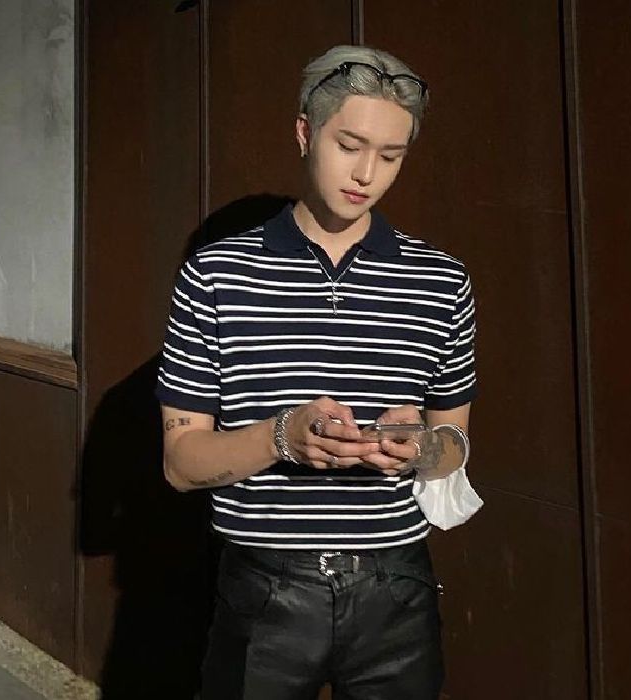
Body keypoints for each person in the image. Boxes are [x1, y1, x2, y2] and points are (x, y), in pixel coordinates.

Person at [156, 44, 476, 700]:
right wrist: (283, 438)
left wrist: (419, 449)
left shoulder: (440, 281)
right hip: (264, 591)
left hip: (397, 590)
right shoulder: (215, 275)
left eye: (391, 156)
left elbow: (453, 449)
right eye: (349, 145)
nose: (366, 173)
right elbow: (180, 464)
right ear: (305, 132)